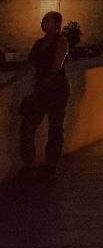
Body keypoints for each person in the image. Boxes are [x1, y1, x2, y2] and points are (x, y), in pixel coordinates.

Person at [16, 11, 70, 181]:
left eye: (47, 21)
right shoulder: (39, 44)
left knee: (55, 128)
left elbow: (56, 68)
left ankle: (50, 166)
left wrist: (38, 88)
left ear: (56, 25)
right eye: (43, 21)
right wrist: (9, 82)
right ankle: (29, 164)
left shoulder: (61, 41)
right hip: (41, 91)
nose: (43, 23)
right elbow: (28, 65)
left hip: (56, 90)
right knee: (27, 127)